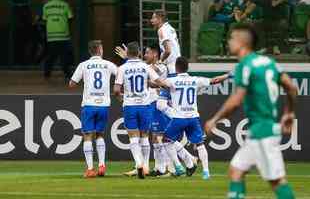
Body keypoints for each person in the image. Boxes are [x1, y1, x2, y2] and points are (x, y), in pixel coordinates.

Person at [204, 24, 296, 199]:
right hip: (259, 131)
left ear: (241, 41)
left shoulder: (245, 66)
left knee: (277, 181)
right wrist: (289, 112)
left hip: (263, 131)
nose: (229, 42)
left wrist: (215, 119)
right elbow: (291, 87)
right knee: (236, 171)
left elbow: (236, 100)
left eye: (231, 38)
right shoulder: (269, 63)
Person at [115, 44, 199, 177]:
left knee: (162, 136)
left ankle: (188, 159)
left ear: (155, 54)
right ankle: (159, 168)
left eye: (147, 53)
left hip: (158, 104)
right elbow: (140, 74)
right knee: (156, 137)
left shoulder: (159, 66)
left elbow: (140, 72)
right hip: (151, 104)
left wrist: (128, 58)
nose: (145, 55)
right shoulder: (148, 67)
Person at [157, 57, 228, 179]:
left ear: (176, 68)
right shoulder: (195, 80)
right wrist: (228, 75)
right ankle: (206, 172)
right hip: (193, 117)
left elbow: (158, 83)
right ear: (187, 67)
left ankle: (178, 166)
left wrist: (149, 76)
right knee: (200, 144)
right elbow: (215, 80)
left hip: (179, 117)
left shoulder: (172, 81)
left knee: (166, 140)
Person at [113, 42, 170, 179]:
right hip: (145, 105)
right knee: (145, 136)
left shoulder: (122, 68)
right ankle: (145, 166)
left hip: (130, 106)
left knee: (133, 137)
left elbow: (116, 90)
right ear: (139, 52)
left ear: (128, 54)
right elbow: (159, 82)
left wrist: (121, 99)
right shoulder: (146, 67)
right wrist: (168, 87)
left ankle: (138, 163)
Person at [69, 40, 118, 178]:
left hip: (89, 104)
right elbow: (120, 74)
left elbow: (72, 84)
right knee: (100, 135)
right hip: (103, 105)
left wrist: (86, 82)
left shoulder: (83, 65)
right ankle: (102, 165)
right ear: (99, 50)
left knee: (87, 135)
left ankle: (90, 169)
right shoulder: (108, 64)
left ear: (90, 51)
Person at [43, 0, 74, 81]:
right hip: (63, 35)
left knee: (51, 55)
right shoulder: (65, 5)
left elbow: (44, 19)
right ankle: (68, 73)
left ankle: (47, 73)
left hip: (51, 36)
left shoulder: (46, 6)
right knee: (64, 56)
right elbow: (70, 18)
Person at [150, 9, 181, 75]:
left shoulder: (161, 30)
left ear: (160, 19)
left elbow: (168, 50)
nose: (151, 20)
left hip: (171, 68)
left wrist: (160, 61)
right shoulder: (170, 28)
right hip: (177, 67)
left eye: (153, 18)